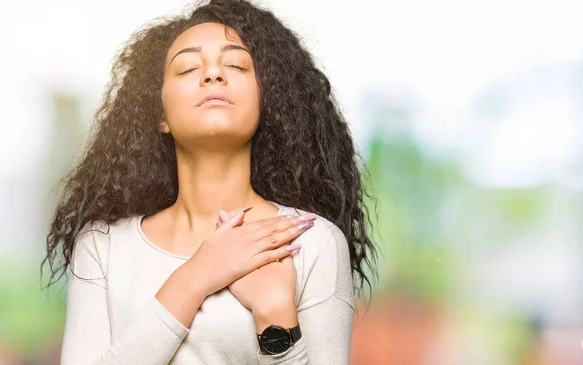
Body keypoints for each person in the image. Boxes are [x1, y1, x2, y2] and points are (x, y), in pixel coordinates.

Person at [42, 0, 377, 363]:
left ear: (265, 102)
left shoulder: (312, 242)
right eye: (187, 68)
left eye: (236, 65)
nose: (213, 75)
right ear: (160, 114)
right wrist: (198, 274)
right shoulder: (103, 246)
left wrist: (275, 317)